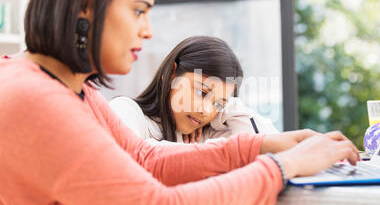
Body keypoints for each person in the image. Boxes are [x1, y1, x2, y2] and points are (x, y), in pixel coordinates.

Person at [0, 0, 360, 205]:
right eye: (139, 10)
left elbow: (145, 159)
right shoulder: (36, 99)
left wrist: (264, 145)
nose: (148, 29)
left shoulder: (70, 87)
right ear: (85, 9)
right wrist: (284, 167)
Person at [108, 35, 278, 146]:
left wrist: (232, 106)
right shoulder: (126, 111)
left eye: (218, 104)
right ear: (172, 74)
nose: (205, 111)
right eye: (202, 93)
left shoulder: (207, 135)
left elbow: (269, 149)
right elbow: (136, 157)